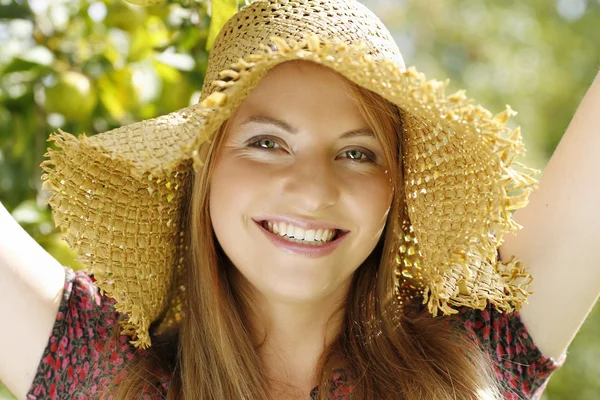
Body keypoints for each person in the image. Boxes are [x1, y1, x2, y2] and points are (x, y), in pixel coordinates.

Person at [1, 0, 599, 399]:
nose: (313, 190)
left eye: (358, 153)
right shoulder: (108, 373)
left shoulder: (473, 358)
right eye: (267, 142)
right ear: (202, 172)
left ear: (396, 189)